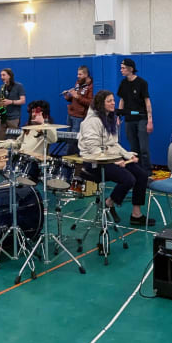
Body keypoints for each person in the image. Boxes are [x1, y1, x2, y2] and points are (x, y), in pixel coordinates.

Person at [78, 90, 153, 227]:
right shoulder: (91, 122)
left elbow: (114, 144)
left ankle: (136, 214)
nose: (113, 103)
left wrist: (127, 155)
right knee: (128, 179)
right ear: (101, 104)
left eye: (113, 100)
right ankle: (109, 203)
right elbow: (92, 148)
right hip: (94, 163)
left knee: (141, 175)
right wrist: (114, 160)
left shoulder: (109, 118)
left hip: (110, 159)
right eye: (109, 101)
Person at [0, 100, 58, 168]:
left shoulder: (48, 127)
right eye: (32, 112)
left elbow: (53, 139)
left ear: (44, 113)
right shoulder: (28, 128)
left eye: (37, 112)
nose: (33, 114)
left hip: (34, 162)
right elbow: (17, 143)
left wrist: (43, 123)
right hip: (20, 159)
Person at [117, 58, 153, 171]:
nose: (121, 70)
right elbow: (122, 100)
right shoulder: (123, 83)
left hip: (141, 117)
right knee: (133, 148)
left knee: (143, 148)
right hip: (129, 119)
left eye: (123, 68)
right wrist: (118, 116)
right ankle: (137, 170)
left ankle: (147, 172)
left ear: (130, 69)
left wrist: (150, 120)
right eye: (121, 68)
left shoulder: (142, 83)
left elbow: (147, 101)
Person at [62, 64, 94, 133]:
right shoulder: (78, 83)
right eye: (78, 74)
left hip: (80, 117)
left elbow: (90, 103)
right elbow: (74, 98)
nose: (78, 76)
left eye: (80, 74)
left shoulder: (91, 86)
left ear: (86, 74)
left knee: (75, 140)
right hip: (70, 114)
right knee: (68, 138)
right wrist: (67, 96)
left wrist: (77, 96)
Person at [0, 68, 26, 137]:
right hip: (3, 116)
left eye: (3, 75)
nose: (2, 77)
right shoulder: (2, 87)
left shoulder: (19, 86)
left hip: (14, 117)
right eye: (1, 75)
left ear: (9, 76)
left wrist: (11, 102)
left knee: (14, 138)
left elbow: (23, 100)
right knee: (0, 136)